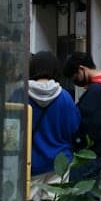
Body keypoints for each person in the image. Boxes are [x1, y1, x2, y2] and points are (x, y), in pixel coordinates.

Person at [25, 50, 80, 179]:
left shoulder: (20, 94)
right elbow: (73, 129)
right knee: (55, 199)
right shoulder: (65, 97)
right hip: (59, 163)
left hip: (28, 163)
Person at [61, 51, 101, 157]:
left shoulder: (95, 91)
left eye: (75, 78)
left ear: (82, 69)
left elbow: (88, 126)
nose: (76, 83)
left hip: (92, 154)